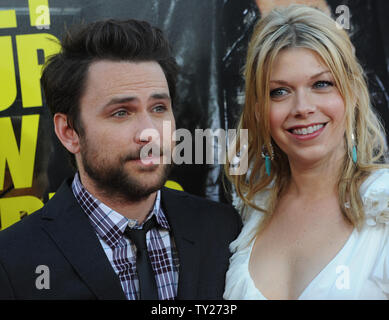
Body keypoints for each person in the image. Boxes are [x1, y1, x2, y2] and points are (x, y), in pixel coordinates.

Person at [0, 19, 242, 300]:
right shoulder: (13, 261)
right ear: (69, 132)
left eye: (159, 108)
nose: (149, 132)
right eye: (121, 113)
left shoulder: (222, 229)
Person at [223, 5, 389, 300]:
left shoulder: (383, 205)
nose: (302, 108)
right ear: (259, 109)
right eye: (280, 92)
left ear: (351, 93)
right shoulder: (251, 209)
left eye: (321, 84)